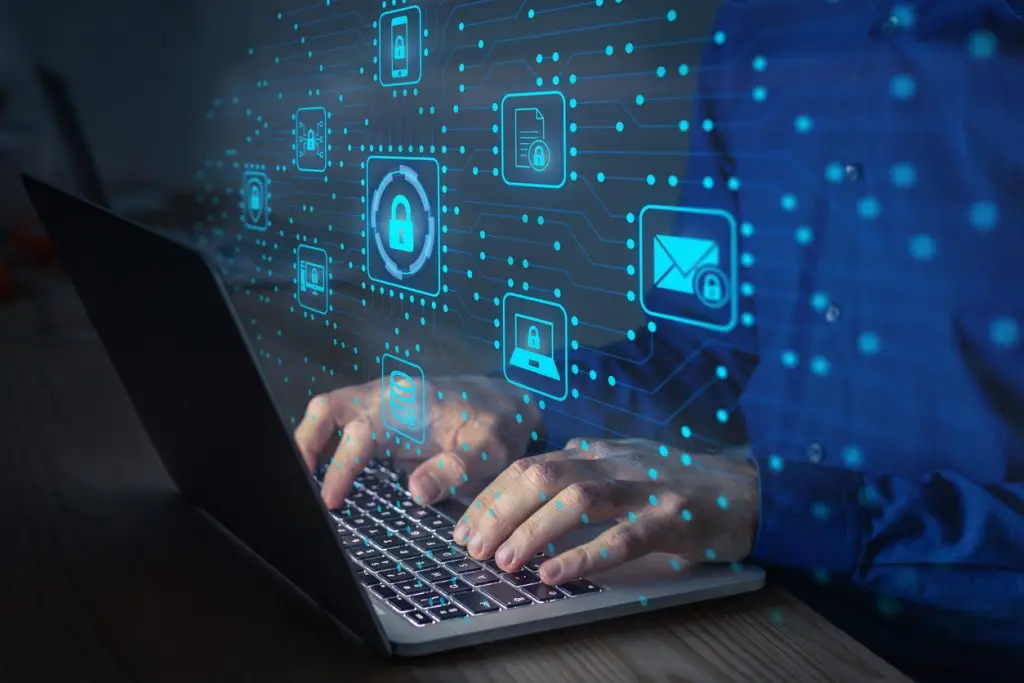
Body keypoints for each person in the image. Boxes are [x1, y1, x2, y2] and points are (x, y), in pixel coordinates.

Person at [296, 2, 1023, 680]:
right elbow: (706, 351)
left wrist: (776, 507)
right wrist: (520, 399)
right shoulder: (758, 24)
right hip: (763, 613)